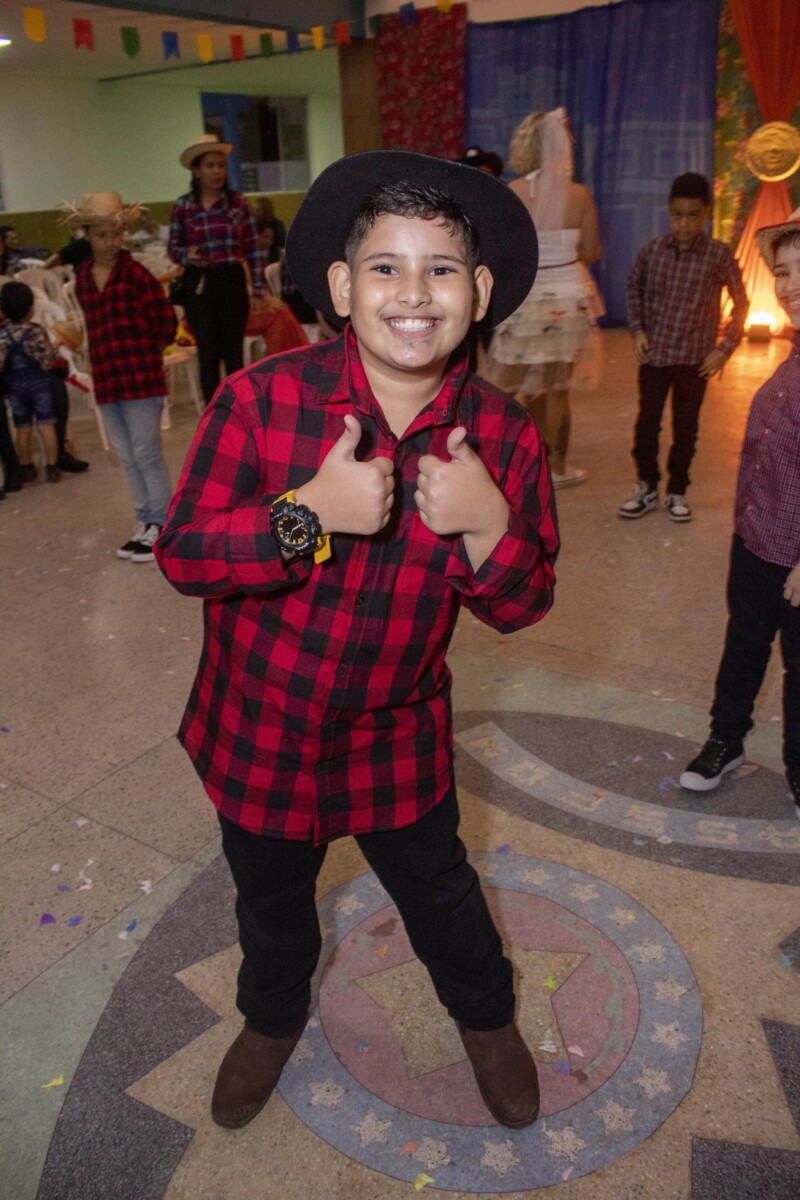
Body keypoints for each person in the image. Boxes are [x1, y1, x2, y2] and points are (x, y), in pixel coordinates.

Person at [155, 150, 559, 1133]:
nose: (412, 293)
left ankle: (486, 1019)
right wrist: (303, 514)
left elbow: (522, 604)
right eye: (385, 267)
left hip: (395, 735)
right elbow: (184, 554)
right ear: (341, 288)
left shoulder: (502, 435)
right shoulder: (260, 401)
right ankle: (270, 1018)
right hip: (262, 727)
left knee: (443, 897)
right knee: (270, 904)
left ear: (480, 293)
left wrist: (486, 524)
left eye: (440, 269)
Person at [680, 207, 800, 821]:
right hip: (757, 539)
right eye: (783, 272)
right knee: (745, 644)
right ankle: (726, 741)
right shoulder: (793, 355)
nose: (789, 286)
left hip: (797, 560)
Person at [619, 172, 749, 523]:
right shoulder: (653, 252)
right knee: (647, 424)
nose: (684, 224)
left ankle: (677, 490)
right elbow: (633, 287)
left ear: (706, 214)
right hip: (655, 357)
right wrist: (638, 330)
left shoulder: (718, 255)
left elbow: (741, 304)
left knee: (686, 427)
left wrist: (724, 348)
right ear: (668, 211)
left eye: (693, 216)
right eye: (677, 215)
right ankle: (646, 486)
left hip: (695, 361)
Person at [487, 108, 603, 488]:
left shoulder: (512, 193)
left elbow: (502, 252)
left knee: (523, 384)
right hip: (568, 295)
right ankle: (559, 468)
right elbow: (591, 250)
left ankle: (524, 458)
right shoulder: (579, 195)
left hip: (525, 295)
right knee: (558, 388)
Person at [60, 191, 176, 562]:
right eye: (101, 235)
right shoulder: (83, 278)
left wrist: (146, 354)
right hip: (107, 380)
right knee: (127, 456)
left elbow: (166, 322)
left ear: (123, 233)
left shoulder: (138, 275)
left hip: (140, 379)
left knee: (146, 453)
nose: (110, 242)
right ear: (87, 236)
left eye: (116, 234)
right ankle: (144, 520)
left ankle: (161, 523)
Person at [168, 133, 268, 405]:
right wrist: (187, 256)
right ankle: (213, 415)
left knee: (233, 353)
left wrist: (258, 289)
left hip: (231, 280)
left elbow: (253, 249)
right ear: (196, 171)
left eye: (221, 165)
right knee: (208, 353)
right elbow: (173, 249)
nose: (217, 172)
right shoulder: (183, 206)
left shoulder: (238, 203)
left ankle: (238, 412)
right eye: (210, 166)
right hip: (198, 283)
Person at [0, 281, 61, 482]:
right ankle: (52, 467)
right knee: (46, 425)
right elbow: (47, 360)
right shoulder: (36, 331)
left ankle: (26, 467)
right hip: (39, 384)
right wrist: (56, 348)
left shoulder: (3, 334)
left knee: (22, 428)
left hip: (15, 386)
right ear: (30, 308)